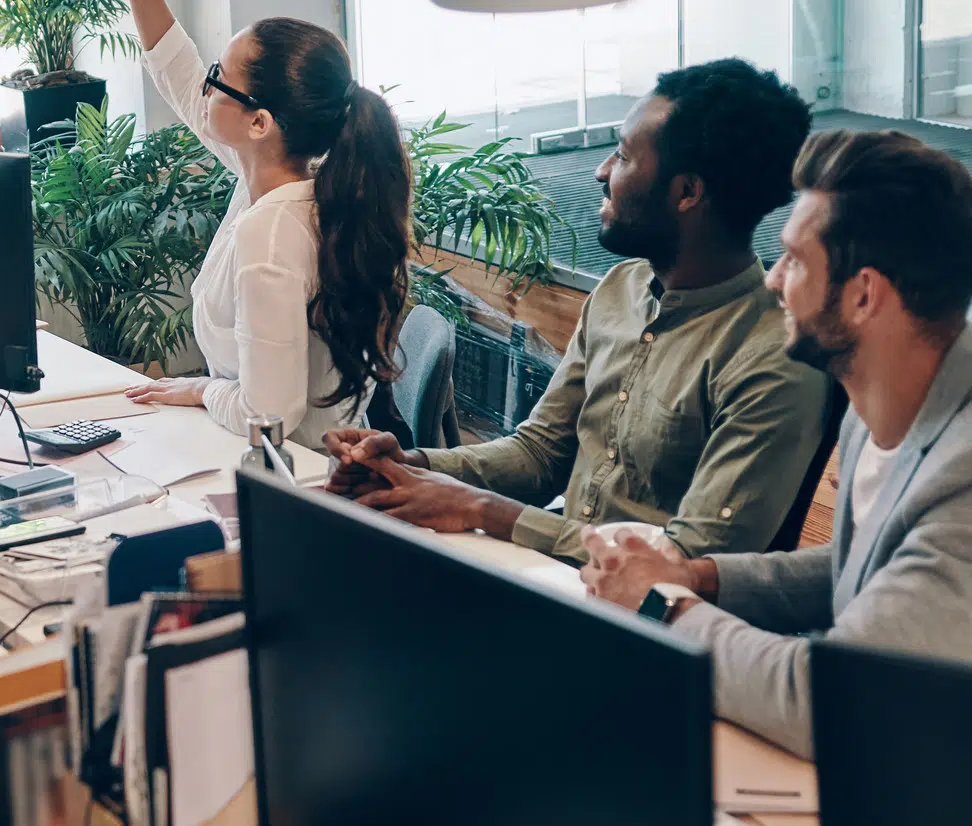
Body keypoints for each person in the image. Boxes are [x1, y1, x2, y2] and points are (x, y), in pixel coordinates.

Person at [584, 128, 972, 754]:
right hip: (931, 771)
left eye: (795, 260)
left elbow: (836, 701)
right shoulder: (878, 398)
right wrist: (696, 575)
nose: (773, 281)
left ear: (862, 295)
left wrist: (663, 605)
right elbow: (866, 565)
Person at [327, 61, 833, 565]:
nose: (601, 171)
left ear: (687, 193)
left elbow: (694, 557)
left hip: (650, 628)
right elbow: (539, 453)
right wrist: (411, 464)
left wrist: (479, 508)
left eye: (623, 155)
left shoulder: (774, 359)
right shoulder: (620, 289)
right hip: (549, 581)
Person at [97, 0, 414, 450]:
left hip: (301, 480)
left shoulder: (272, 228)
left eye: (220, 75)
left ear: (261, 123)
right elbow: (174, 65)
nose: (206, 82)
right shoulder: (288, 181)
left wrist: (201, 391)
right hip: (291, 463)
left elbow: (269, 415)